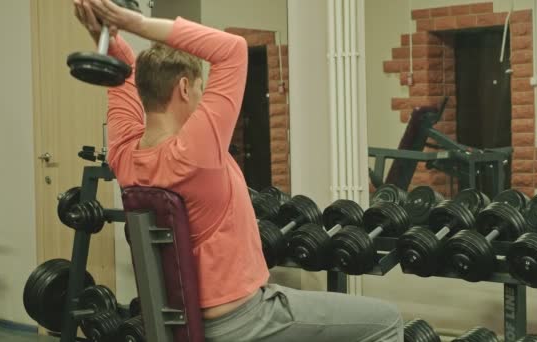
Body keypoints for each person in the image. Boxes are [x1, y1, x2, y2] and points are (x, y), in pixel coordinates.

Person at [73, 0, 404, 341]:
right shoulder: (195, 152)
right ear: (185, 88)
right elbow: (232, 49)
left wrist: (106, 34)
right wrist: (135, 22)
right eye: (201, 90)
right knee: (388, 320)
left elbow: (123, 78)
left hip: (186, 321)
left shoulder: (124, 156)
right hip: (247, 319)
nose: (203, 99)